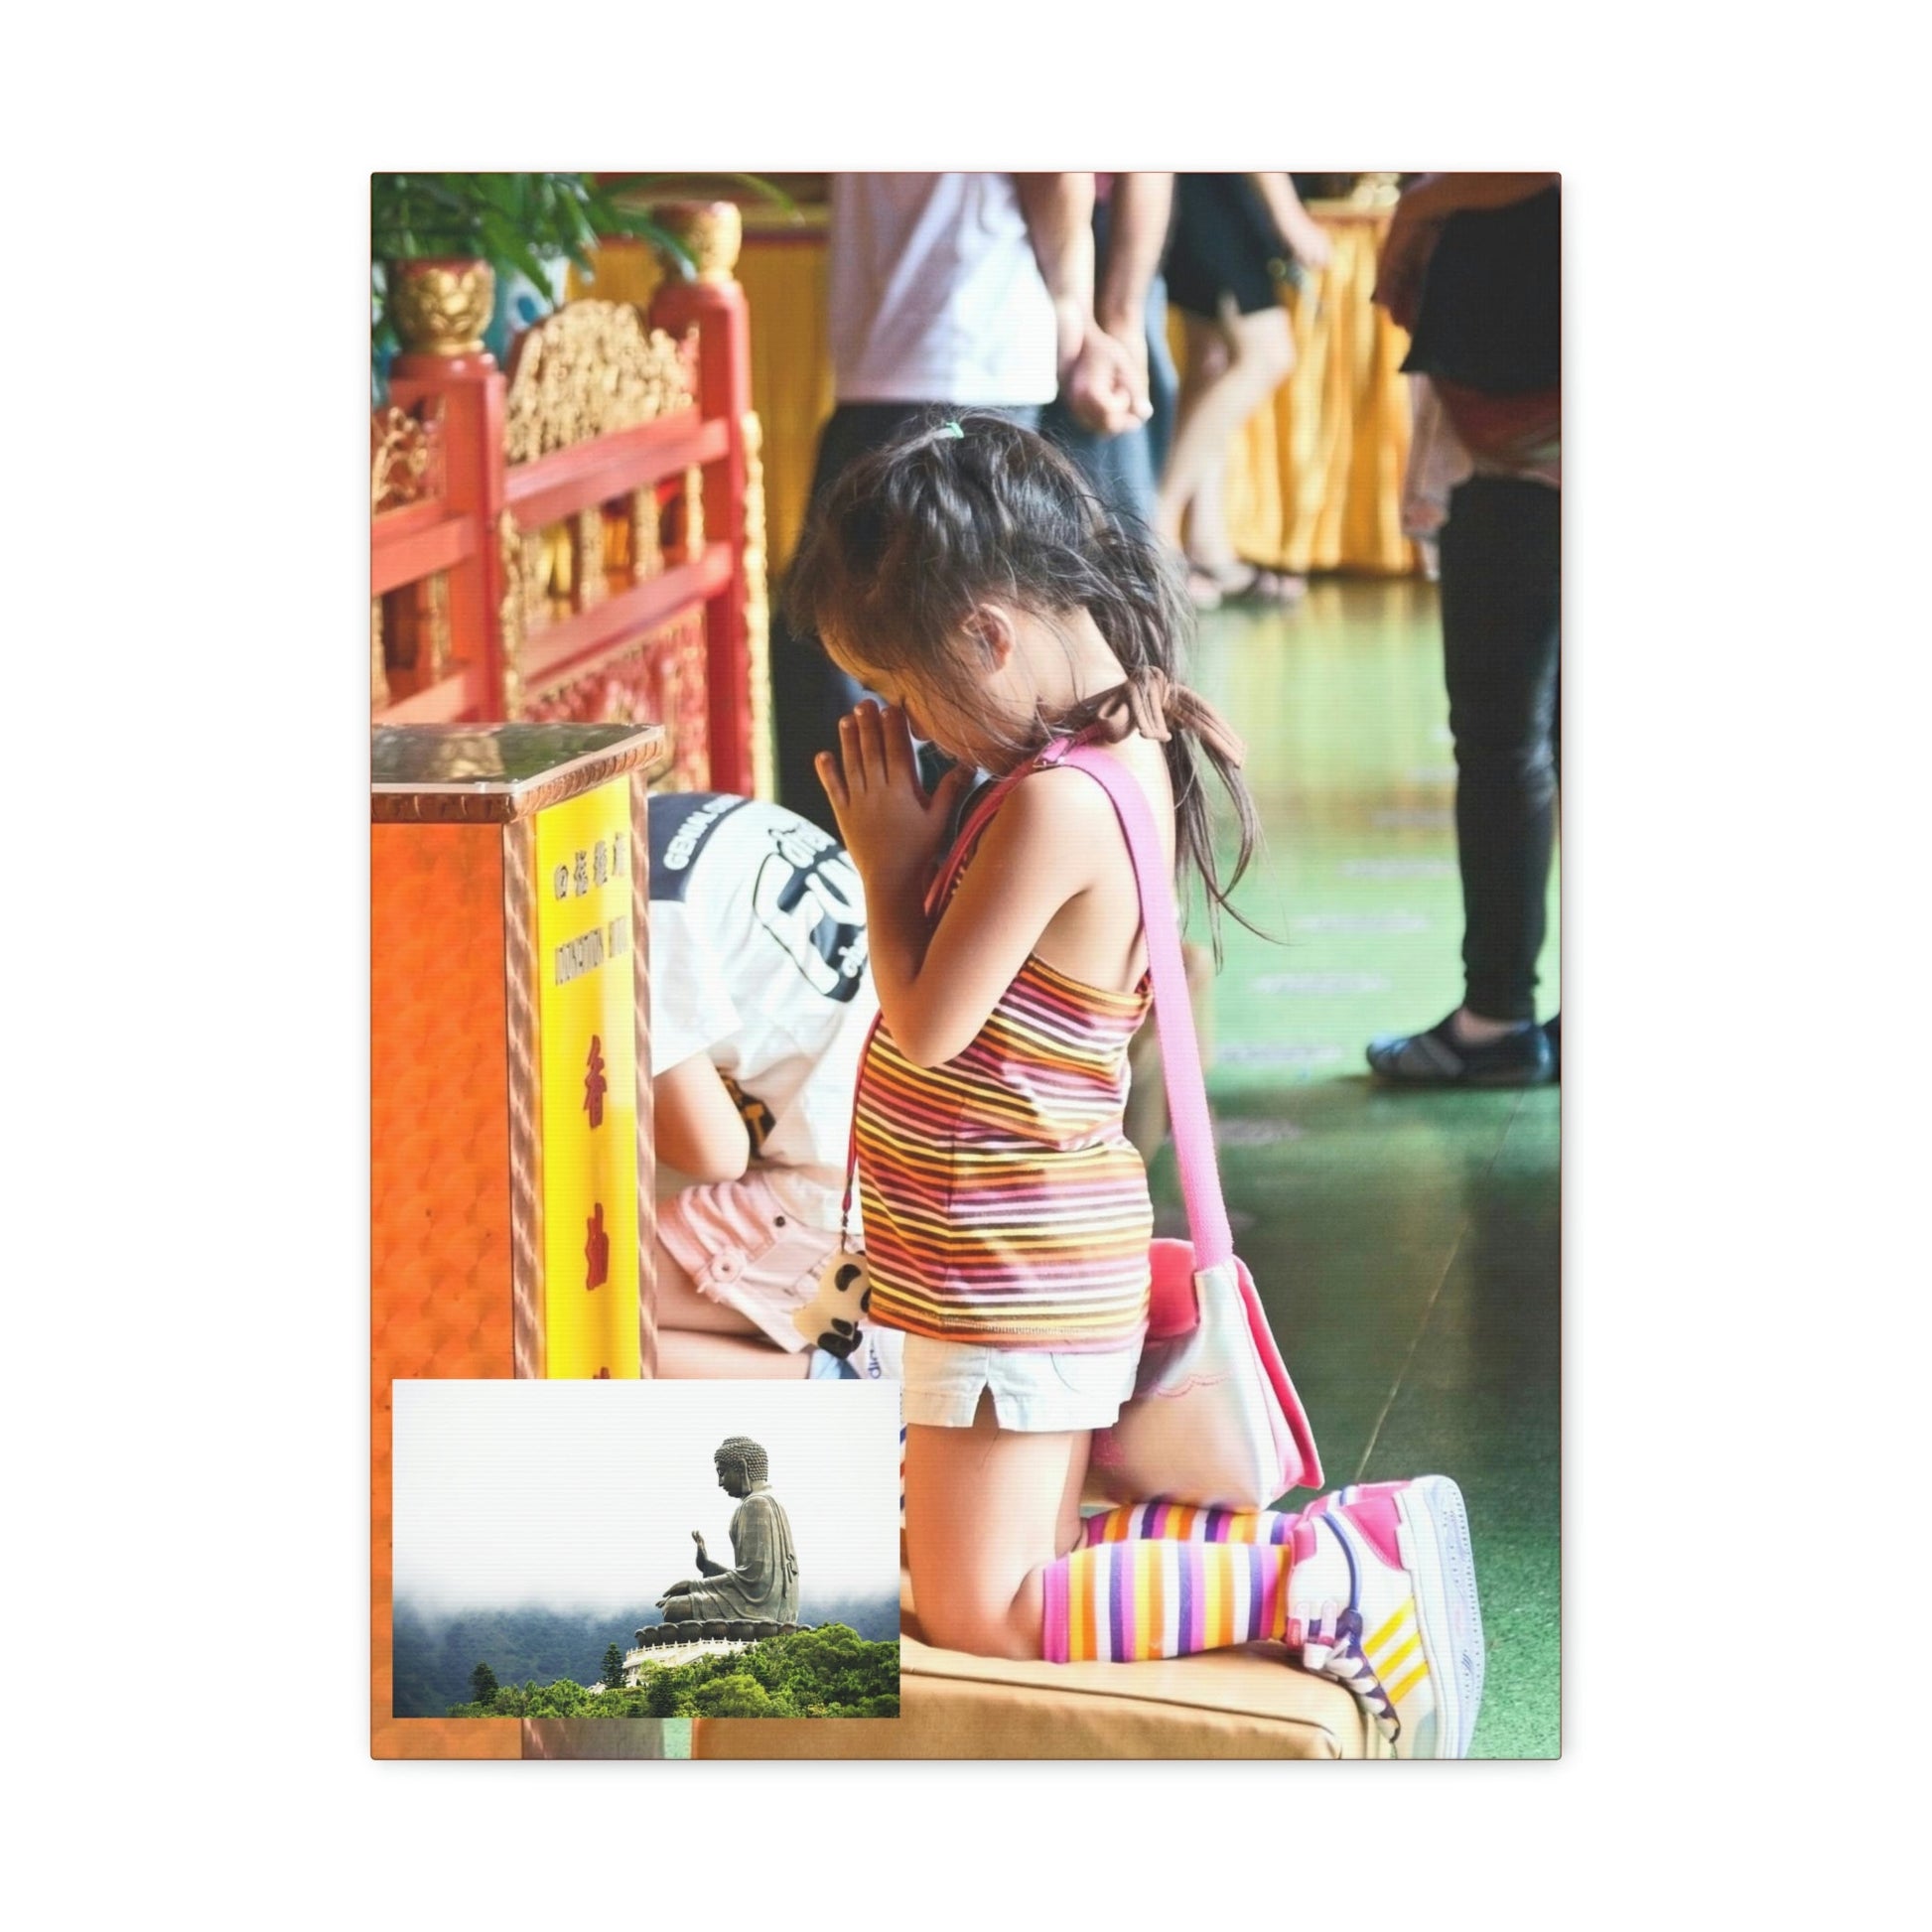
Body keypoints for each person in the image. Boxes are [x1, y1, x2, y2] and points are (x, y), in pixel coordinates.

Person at [785, 413, 1485, 1756]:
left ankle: (1329, 1570)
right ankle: (1294, 1557)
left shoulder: (1051, 802)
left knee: (978, 1609)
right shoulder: (1111, 749)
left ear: (986, 634)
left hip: (1010, 1269)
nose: (919, 734)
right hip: (1013, 1263)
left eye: (913, 694)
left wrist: (883, 863)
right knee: (1023, 1561)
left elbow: (928, 1023)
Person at [770, 172, 1148, 841]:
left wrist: (1074, 313)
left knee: (927, 649)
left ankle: (928, 882)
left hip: (962, 343)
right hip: (909, 353)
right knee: (868, 646)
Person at [1364, 175, 1562, 1086]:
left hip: (1527, 462)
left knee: (1503, 744)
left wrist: (1424, 205)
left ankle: (1494, 1019)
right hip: (1520, 445)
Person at [646, 787, 898, 1382]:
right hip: (908, 1170)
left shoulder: (629, 920)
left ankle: (850, 1384)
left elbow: (714, 1152)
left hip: (845, 1214)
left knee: (563, 1303)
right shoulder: (678, 818)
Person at [1157, 173, 1333, 610]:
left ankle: (1207, 544)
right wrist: (1287, 212)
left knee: (1212, 361)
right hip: (1216, 187)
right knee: (1266, 354)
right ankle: (1158, 527)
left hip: (1199, 188)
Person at [654, 1436, 800, 1626]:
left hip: (760, 1609)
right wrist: (706, 1564)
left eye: (722, 1473)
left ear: (742, 1467)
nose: (719, 1482)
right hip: (778, 1609)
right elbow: (752, 1575)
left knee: (672, 1609)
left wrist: (693, 1585)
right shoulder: (771, 1501)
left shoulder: (755, 1504)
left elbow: (753, 1580)